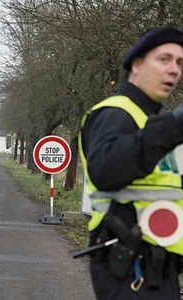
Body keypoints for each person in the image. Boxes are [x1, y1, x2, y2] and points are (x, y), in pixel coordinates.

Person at [79, 27, 183, 299]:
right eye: (164, 59)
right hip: (128, 265)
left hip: (159, 267)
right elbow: (105, 170)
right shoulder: (115, 113)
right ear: (136, 65)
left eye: (179, 63)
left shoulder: (151, 121)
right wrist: (174, 125)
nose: (174, 69)